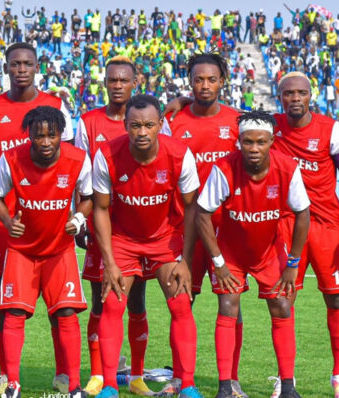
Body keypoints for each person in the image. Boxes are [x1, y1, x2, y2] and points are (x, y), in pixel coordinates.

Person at [0, 42, 74, 395]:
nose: (20, 69)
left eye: (27, 63)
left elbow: (71, 160)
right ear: (6, 67)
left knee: (59, 303)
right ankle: (6, 374)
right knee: (5, 300)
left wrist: (77, 217)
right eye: (14, 63)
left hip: (53, 221)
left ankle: (64, 374)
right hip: (7, 225)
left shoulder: (56, 105)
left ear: (37, 66)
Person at [92, 95, 202, 398]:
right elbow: (100, 209)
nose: (142, 132)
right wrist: (110, 263)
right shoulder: (107, 154)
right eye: (136, 125)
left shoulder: (180, 154)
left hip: (165, 240)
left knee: (180, 304)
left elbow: (192, 208)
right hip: (124, 241)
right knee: (112, 305)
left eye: (149, 125)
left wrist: (186, 261)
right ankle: (110, 385)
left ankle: (187, 384)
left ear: (160, 125)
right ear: (126, 125)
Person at [196, 111, 310, 398]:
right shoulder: (223, 169)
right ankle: (225, 386)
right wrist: (218, 262)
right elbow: (202, 214)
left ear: (272, 141)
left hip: (269, 250)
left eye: (261, 142)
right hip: (231, 253)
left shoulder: (287, 168)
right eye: (248, 142)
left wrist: (293, 264)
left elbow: (303, 213)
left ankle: (287, 386)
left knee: (282, 306)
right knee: (228, 304)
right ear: (239, 142)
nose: (254, 148)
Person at [0, 106, 92, 398]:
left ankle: (73, 386)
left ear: (61, 134)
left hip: (59, 250)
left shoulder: (78, 160)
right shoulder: (11, 159)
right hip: (22, 252)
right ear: (30, 136)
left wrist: (78, 218)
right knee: (14, 312)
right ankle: (12, 384)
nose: (46, 142)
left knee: (68, 312)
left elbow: (88, 197)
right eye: (39, 136)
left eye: (52, 135)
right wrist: (8, 222)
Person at [161, 52, 244, 398]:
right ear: (189, 81)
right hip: (185, 228)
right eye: (198, 79)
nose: (205, 85)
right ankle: (180, 378)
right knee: (183, 301)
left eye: (211, 79)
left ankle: (231, 379)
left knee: (232, 304)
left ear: (223, 81)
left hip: (227, 231)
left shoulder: (239, 121)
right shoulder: (174, 120)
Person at [272, 72, 339, 398]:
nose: (295, 98)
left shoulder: (331, 129)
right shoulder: (272, 126)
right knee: (283, 301)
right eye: (288, 93)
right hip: (286, 225)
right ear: (279, 96)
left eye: (301, 93)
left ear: (311, 95)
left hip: (325, 226)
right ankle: (285, 379)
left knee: (336, 297)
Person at [74, 56, 153, 397]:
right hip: (100, 226)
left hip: (139, 228)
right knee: (101, 298)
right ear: (104, 83)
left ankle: (135, 376)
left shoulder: (147, 121)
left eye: (123, 80)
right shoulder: (88, 121)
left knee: (137, 299)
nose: (117, 85)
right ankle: (97, 374)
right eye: (112, 80)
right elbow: (79, 174)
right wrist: (80, 220)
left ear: (135, 83)